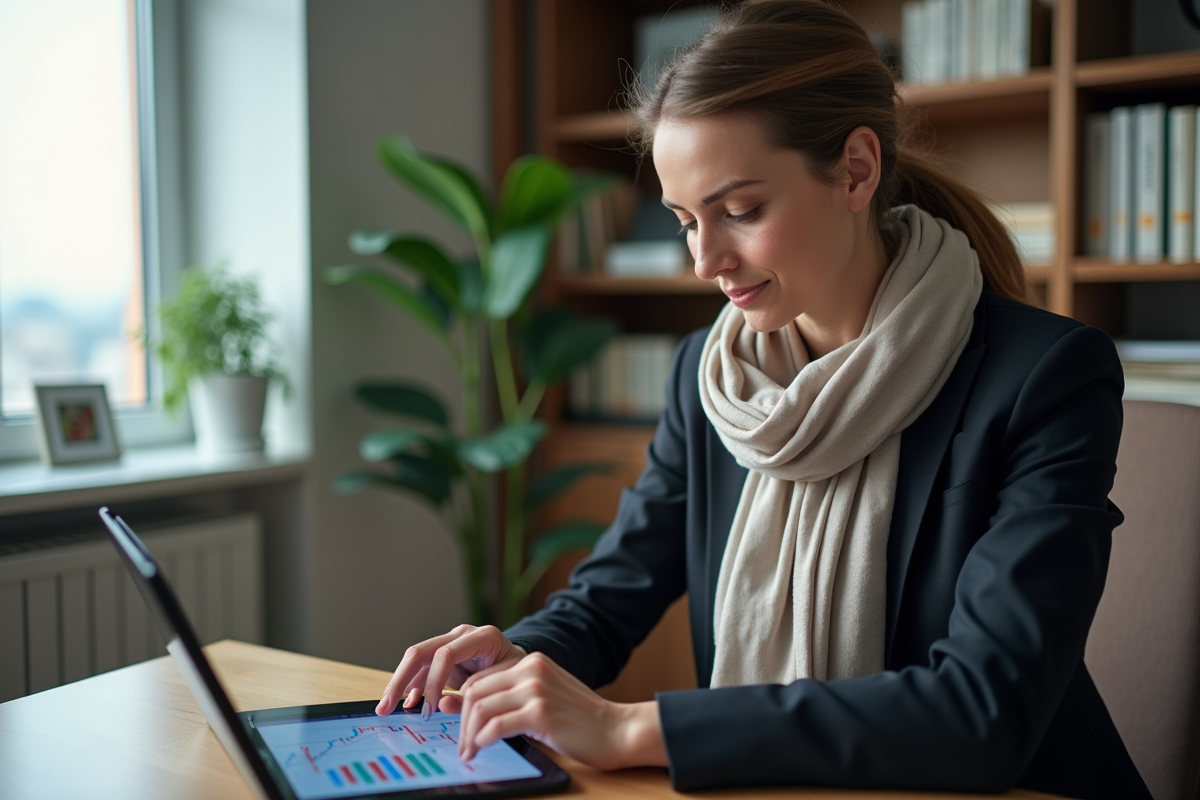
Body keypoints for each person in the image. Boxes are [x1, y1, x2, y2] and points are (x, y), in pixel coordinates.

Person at [374, 2, 1151, 798]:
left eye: (740, 211)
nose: (706, 259)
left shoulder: (1046, 377)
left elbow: (984, 712)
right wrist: (514, 662)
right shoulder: (709, 376)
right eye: (684, 221)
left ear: (856, 169)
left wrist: (631, 728)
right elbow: (611, 595)